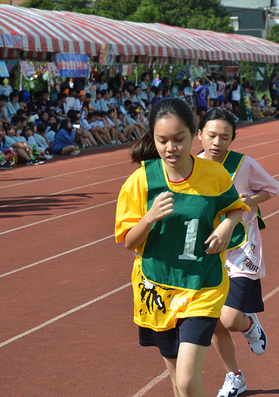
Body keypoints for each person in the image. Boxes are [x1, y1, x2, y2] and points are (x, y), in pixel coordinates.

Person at [115, 98, 248, 397]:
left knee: (188, 381)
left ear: (194, 134)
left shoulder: (214, 174)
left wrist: (228, 224)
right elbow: (128, 242)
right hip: (157, 288)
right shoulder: (140, 182)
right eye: (162, 141)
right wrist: (148, 218)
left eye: (179, 139)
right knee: (177, 382)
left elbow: (235, 208)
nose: (171, 148)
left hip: (203, 285)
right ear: (153, 138)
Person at [196, 108, 279, 397]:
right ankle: (234, 376)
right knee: (211, 321)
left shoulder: (243, 164)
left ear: (232, 139)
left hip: (242, 248)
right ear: (200, 135)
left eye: (224, 137)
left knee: (230, 319)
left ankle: (249, 325)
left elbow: (272, 188)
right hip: (206, 252)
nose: (217, 142)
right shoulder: (190, 166)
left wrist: (249, 199)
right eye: (212, 135)